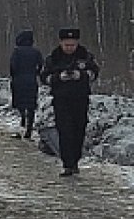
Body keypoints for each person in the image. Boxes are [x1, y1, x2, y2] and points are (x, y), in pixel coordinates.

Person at [38, 27, 99, 177]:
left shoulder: (85, 56)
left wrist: (81, 75)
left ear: (77, 43)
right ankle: (67, 164)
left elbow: (94, 72)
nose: (70, 48)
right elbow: (44, 77)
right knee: (65, 131)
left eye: (72, 45)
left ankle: (75, 161)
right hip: (61, 99)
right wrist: (59, 77)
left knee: (79, 130)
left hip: (80, 98)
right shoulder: (54, 58)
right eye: (67, 45)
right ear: (61, 43)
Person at [9, 29, 43, 139]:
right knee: (31, 105)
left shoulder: (17, 51)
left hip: (19, 80)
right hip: (31, 80)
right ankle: (29, 128)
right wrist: (35, 73)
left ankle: (23, 117)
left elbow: (13, 66)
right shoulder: (36, 52)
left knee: (20, 102)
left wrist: (14, 76)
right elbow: (41, 65)